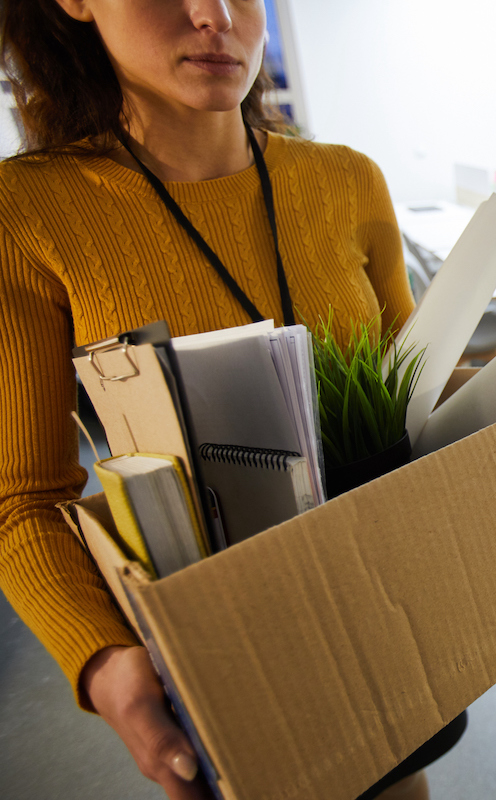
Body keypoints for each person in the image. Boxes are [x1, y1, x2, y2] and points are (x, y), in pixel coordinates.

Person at [0, 2, 459, 799]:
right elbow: (23, 499)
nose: (214, 15)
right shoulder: (29, 212)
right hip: (221, 646)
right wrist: (106, 662)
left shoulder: (346, 178)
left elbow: (409, 390)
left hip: (383, 607)